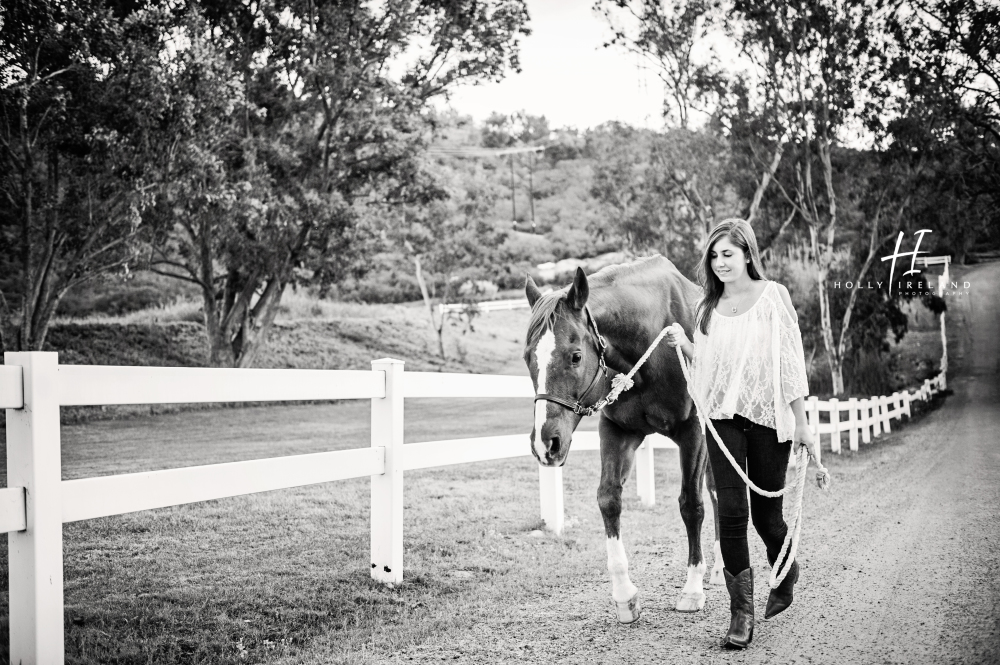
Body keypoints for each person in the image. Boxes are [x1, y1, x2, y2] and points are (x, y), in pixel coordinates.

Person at [666, 218, 812, 650]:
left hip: (769, 419)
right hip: (724, 421)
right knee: (730, 515)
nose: (720, 263)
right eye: (713, 256)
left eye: (727, 254)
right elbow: (709, 365)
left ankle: (786, 571)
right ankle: (740, 614)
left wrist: (801, 422)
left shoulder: (774, 297)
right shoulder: (706, 308)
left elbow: (791, 362)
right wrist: (684, 344)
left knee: (768, 518)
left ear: (747, 252)